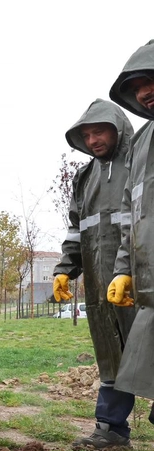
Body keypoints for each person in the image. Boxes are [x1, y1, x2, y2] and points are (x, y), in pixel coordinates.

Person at [53, 99, 136, 450]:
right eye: (86, 135)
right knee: (110, 354)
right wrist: (64, 269)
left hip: (141, 282)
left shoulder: (140, 162)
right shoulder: (85, 178)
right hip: (101, 287)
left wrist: (129, 268)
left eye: (99, 131)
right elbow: (77, 230)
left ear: (117, 129)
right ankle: (111, 429)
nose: (93, 140)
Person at [106, 40, 154, 424]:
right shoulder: (141, 144)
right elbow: (130, 217)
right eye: (136, 86)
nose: (144, 92)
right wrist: (124, 268)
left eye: (150, 79)